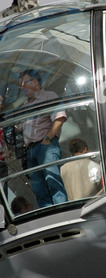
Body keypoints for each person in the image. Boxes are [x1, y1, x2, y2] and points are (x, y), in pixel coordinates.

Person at [18, 69, 68, 207]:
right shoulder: (25, 106)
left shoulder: (48, 96)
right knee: (39, 190)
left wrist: (47, 139)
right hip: (30, 151)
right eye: (20, 86)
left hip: (45, 146)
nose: (22, 89)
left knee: (53, 182)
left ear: (34, 82)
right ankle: (49, 216)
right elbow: (18, 128)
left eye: (23, 84)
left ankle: (62, 212)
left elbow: (60, 117)